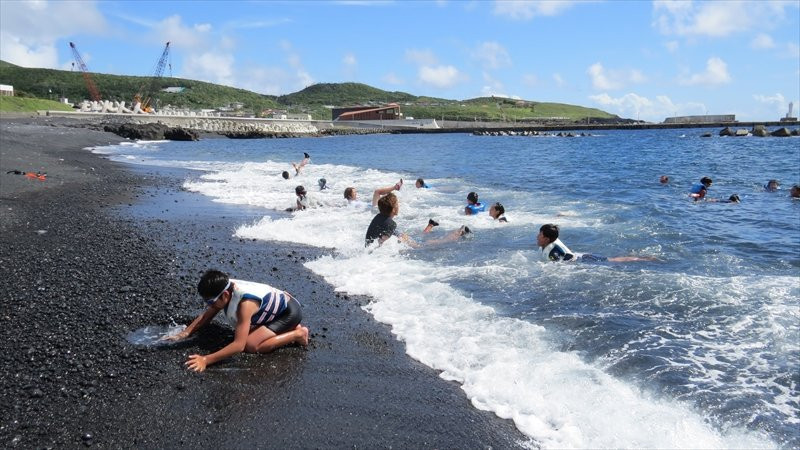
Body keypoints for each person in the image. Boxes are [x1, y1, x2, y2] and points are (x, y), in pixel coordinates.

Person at [165, 269, 309, 372]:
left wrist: (206, 360)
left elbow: (238, 346)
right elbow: (207, 316)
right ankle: (281, 329)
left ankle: (298, 334)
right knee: (246, 331)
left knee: (252, 345)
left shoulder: (245, 305)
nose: (210, 306)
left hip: (287, 312)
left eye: (211, 302)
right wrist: (185, 333)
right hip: (273, 305)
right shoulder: (223, 289)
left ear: (225, 295)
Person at [536, 224, 656, 263]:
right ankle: (641, 257)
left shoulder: (553, 251)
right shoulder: (550, 243)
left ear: (547, 239)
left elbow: (565, 260)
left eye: (540, 235)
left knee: (613, 260)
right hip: (582, 256)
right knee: (612, 259)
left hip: (585, 260)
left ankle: (644, 259)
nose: (537, 237)